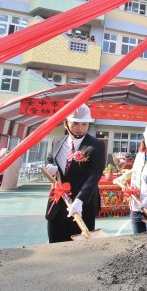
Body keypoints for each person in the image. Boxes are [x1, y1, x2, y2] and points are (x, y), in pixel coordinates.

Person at [44, 104, 106, 243]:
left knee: (80, 247)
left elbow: (95, 175)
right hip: (58, 202)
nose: (80, 128)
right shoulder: (57, 141)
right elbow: (50, 159)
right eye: (75, 123)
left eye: (85, 124)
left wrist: (79, 200)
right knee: (55, 242)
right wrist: (51, 168)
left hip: (82, 205)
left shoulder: (96, 145)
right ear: (66, 123)